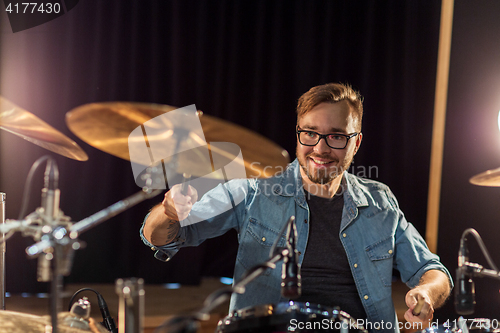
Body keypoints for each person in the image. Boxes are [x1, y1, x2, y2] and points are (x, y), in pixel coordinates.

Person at [141, 83, 452, 332]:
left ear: (356, 143)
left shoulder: (380, 201)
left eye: (336, 137)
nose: (320, 148)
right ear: (298, 133)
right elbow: (163, 236)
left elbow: (433, 271)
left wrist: (425, 294)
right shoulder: (254, 189)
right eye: (310, 133)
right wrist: (169, 212)